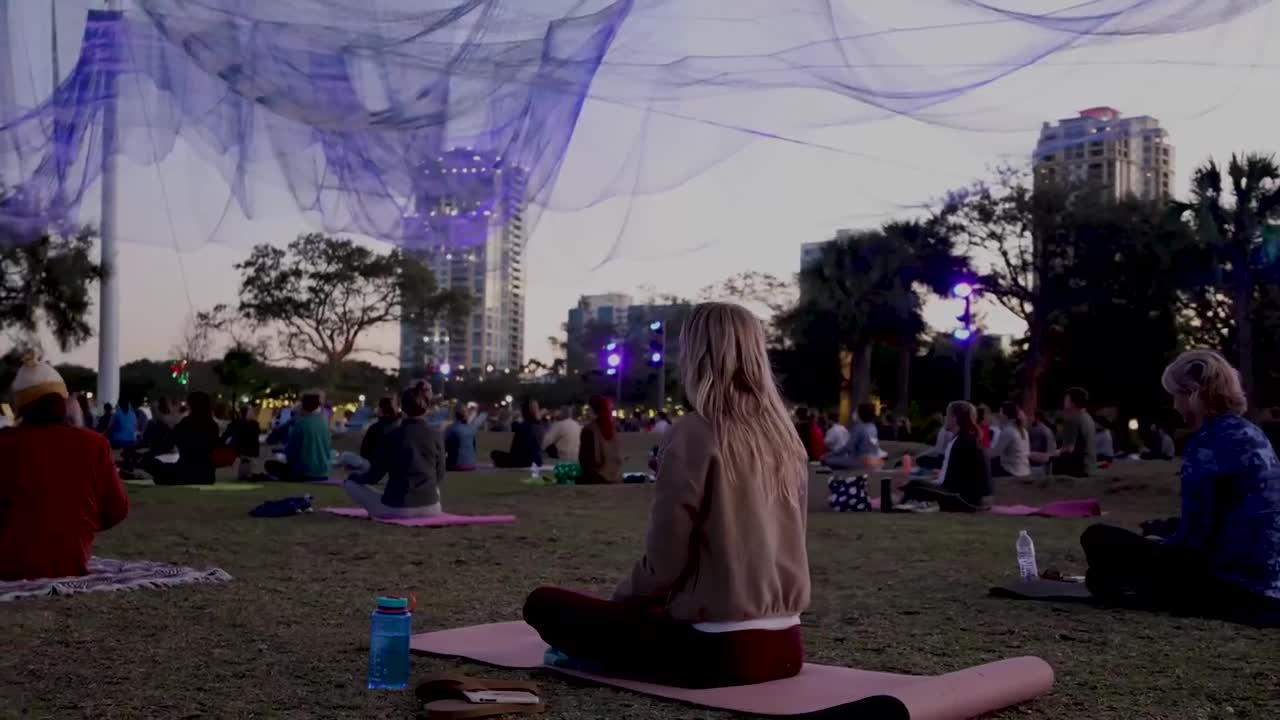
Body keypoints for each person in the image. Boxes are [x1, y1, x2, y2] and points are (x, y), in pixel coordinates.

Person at [523, 303, 808, 688]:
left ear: (697, 355)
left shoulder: (694, 431)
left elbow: (664, 563)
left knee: (544, 604)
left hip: (718, 651)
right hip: (787, 649)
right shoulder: (785, 437)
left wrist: (620, 602)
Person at [1080, 350, 1280, 626]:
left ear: (1193, 393)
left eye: (1176, 395)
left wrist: (1161, 544)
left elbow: (1193, 543)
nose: (1174, 405)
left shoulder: (1208, 444)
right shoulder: (1252, 433)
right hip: (1266, 579)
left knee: (1098, 538)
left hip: (1230, 586)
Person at [0, 358, 129, 580]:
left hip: (10, 565)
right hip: (71, 562)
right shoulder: (95, 444)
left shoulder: (5, 444)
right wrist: (74, 523)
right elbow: (117, 509)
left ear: (20, 406)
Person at [344, 387, 446, 519]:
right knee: (433, 489)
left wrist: (354, 477)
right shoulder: (436, 435)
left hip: (397, 508)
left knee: (350, 484)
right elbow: (440, 474)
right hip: (432, 508)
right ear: (426, 408)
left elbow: (374, 476)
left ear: (402, 409)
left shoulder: (392, 436)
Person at [901, 401, 992, 512]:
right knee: (916, 484)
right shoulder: (968, 438)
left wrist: (922, 484)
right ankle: (907, 503)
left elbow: (947, 484)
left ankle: (899, 506)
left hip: (965, 499)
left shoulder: (962, 441)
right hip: (973, 499)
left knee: (915, 484)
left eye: (947, 415)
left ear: (955, 418)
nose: (945, 418)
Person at [145, 392, 220, 485]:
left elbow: (168, 442)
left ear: (191, 405)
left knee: (150, 464)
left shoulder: (186, 423)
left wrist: (149, 454)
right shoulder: (213, 426)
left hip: (185, 472)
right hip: (207, 476)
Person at [265, 391, 332, 482]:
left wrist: (282, 453)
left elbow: (292, 451)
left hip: (305, 472)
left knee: (270, 465)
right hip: (324, 472)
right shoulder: (324, 422)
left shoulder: (300, 423)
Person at [822, 403, 883, 471]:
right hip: (875, 461)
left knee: (828, 460)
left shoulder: (859, 428)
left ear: (860, 414)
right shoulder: (873, 427)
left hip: (861, 461)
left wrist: (828, 455)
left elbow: (847, 448)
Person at [578, 395, 622, 484]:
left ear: (595, 411)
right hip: (614, 475)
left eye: (589, 409)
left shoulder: (589, 429)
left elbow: (585, 459)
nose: (587, 412)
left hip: (597, 476)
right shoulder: (612, 428)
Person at [491, 397, 545, 468]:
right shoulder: (539, 426)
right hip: (536, 460)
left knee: (494, 453)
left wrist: (514, 416)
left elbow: (505, 427)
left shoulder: (518, 426)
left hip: (521, 461)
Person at [1055, 387, 1097, 477]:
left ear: (1072, 403)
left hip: (1076, 471)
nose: (1064, 402)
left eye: (1066, 399)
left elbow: (1069, 449)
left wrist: (1053, 453)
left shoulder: (1072, 419)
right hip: (1090, 468)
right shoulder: (1088, 418)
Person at [990, 401, 1031, 478]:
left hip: (1012, 472)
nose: (999, 415)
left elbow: (995, 453)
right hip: (1025, 471)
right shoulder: (1023, 430)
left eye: (1000, 412)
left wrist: (981, 451)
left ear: (1006, 415)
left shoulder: (1008, 431)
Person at [223, 404, 262, 481]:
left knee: (246, 465)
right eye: (251, 411)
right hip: (241, 452)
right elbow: (226, 435)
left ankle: (246, 472)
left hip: (247, 453)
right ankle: (244, 470)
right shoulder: (238, 424)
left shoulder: (254, 425)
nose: (253, 413)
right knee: (244, 462)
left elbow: (254, 441)